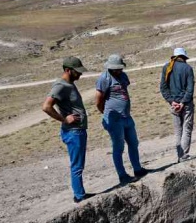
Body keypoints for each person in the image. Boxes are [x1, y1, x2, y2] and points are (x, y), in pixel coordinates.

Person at [41, 56, 92, 203]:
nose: (80, 74)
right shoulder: (61, 86)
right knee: (77, 165)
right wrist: (64, 119)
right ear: (68, 70)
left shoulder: (69, 83)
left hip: (77, 131)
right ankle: (79, 196)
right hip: (73, 131)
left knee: (78, 164)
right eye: (77, 71)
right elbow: (46, 106)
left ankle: (80, 193)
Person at [95, 54, 148, 184]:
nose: (119, 71)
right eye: (117, 69)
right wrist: (106, 113)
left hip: (127, 116)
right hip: (114, 119)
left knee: (134, 143)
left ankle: (137, 168)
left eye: (120, 68)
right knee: (118, 147)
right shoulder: (104, 78)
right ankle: (122, 175)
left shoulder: (123, 76)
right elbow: (98, 100)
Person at [160, 47, 195, 162]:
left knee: (178, 131)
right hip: (186, 104)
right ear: (184, 57)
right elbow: (190, 89)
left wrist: (172, 101)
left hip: (174, 104)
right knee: (187, 128)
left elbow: (163, 88)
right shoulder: (187, 68)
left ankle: (179, 155)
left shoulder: (167, 67)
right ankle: (183, 154)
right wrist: (183, 102)